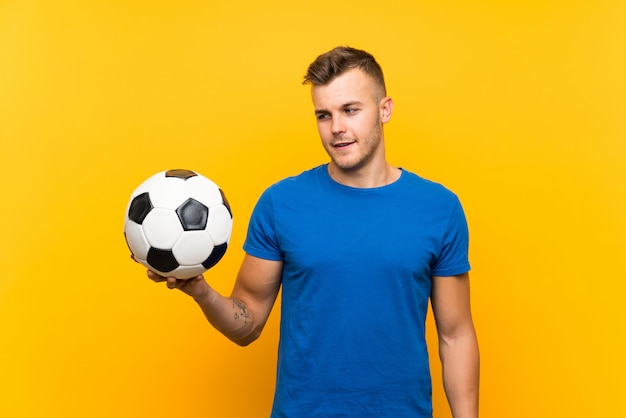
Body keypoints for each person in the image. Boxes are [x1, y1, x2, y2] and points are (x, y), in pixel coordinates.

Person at [147, 46, 479, 417]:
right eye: (324, 115)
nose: (337, 127)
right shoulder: (281, 203)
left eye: (350, 110)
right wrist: (200, 290)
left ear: (385, 109)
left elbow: (456, 335)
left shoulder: (439, 208)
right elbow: (248, 325)